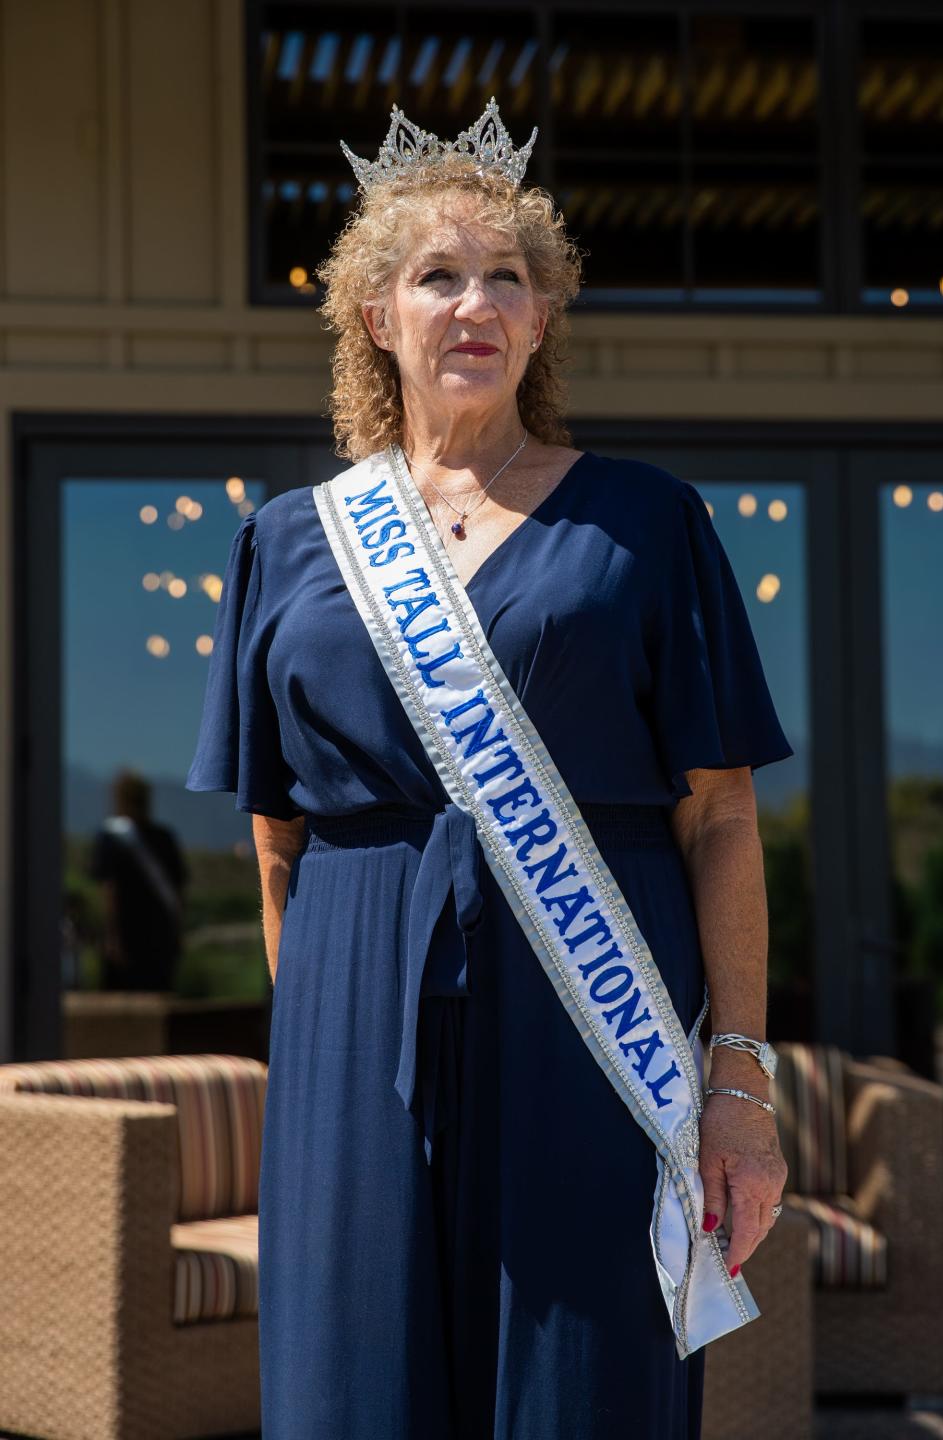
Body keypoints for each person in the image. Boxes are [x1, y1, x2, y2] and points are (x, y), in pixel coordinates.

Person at [186, 96, 793, 1440]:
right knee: (354, 1389)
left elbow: (722, 817)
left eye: (507, 278)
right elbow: (276, 843)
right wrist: (345, 1015)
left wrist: (739, 1087)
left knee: (583, 1389)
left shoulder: (646, 524)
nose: (475, 303)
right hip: (354, 1013)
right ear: (375, 316)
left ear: (541, 317)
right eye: (437, 275)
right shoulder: (290, 543)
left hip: (594, 1022)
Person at [89, 768, 188, 991]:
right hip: (154, 937)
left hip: (134, 937)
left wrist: (111, 937)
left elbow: (108, 890)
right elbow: (179, 891)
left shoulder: (110, 838)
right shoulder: (163, 838)